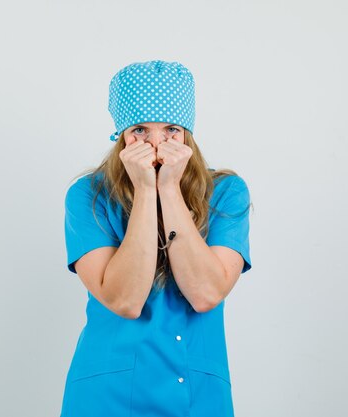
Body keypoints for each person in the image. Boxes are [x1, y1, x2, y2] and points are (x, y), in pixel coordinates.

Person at [60, 60, 252, 417]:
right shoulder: (89, 195)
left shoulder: (226, 192)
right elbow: (125, 301)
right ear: (120, 135)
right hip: (106, 395)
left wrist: (169, 189)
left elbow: (207, 293)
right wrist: (146, 192)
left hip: (198, 394)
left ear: (188, 134)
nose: (156, 143)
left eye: (171, 130)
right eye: (140, 131)